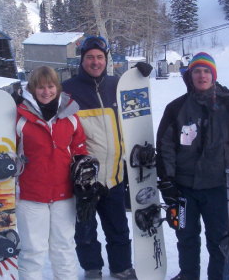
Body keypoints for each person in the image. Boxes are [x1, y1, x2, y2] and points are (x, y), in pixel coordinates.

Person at [0, 66, 90, 279]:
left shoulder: (70, 114)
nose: (46, 92)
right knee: (34, 252)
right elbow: (2, 149)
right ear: (32, 89)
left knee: (64, 250)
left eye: (50, 86)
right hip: (31, 196)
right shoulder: (20, 117)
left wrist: (85, 166)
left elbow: (79, 145)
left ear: (57, 87)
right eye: (41, 87)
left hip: (65, 195)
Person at [62, 36, 137, 280]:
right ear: (82, 59)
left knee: (118, 227)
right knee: (85, 229)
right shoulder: (68, 90)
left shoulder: (118, 85)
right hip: (84, 177)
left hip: (115, 174)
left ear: (107, 59)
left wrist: (139, 79)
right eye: (90, 57)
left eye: (100, 57)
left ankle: (121, 267)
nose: (95, 62)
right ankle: (92, 268)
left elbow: (138, 110)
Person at [156, 52, 229, 280]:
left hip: (218, 188)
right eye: (197, 71)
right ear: (189, 76)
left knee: (219, 240)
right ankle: (188, 275)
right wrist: (167, 181)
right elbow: (165, 146)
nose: (202, 75)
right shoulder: (176, 108)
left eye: (206, 71)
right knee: (186, 238)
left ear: (214, 75)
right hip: (183, 190)